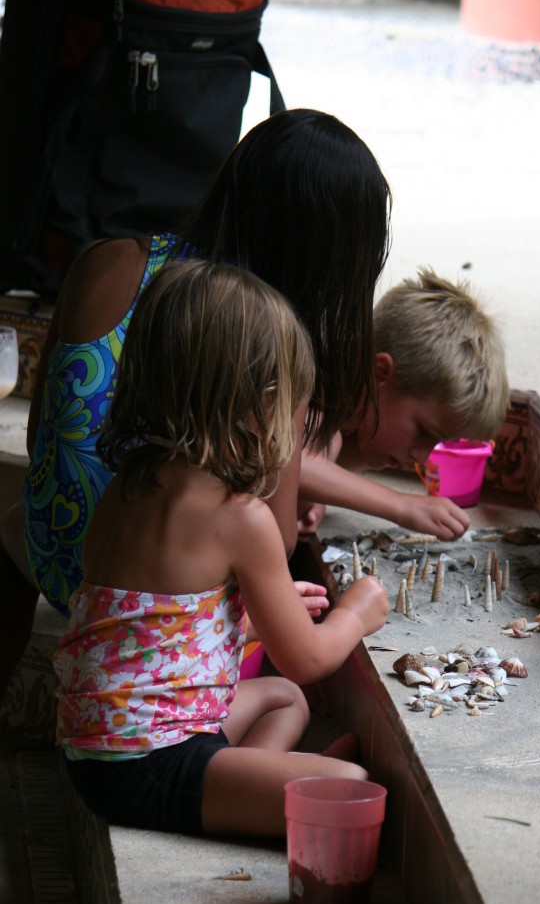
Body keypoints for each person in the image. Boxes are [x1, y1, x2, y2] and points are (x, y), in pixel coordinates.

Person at [0, 108, 391, 699]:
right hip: (141, 599)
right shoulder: (268, 339)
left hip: (47, 548)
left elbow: (41, 438)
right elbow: (277, 540)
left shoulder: (110, 259)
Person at [54, 260, 389, 838]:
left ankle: (254, 784)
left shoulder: (128, 487)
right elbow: (307, 660)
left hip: (105, 746)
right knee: (354, 786)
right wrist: (354, 613)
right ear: (261, 408)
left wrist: (242, 626)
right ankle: (253, 793)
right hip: (149, 764)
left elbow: (139, 630)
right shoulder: (241, 517)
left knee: (286, 700)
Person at [298, 269, 509, 537]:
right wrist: (400, 505)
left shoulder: (357, 423)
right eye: (424, 432)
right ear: (381, 374)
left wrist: (322, 490)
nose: (421, 457)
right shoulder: (307, 378)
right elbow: (293, 463)